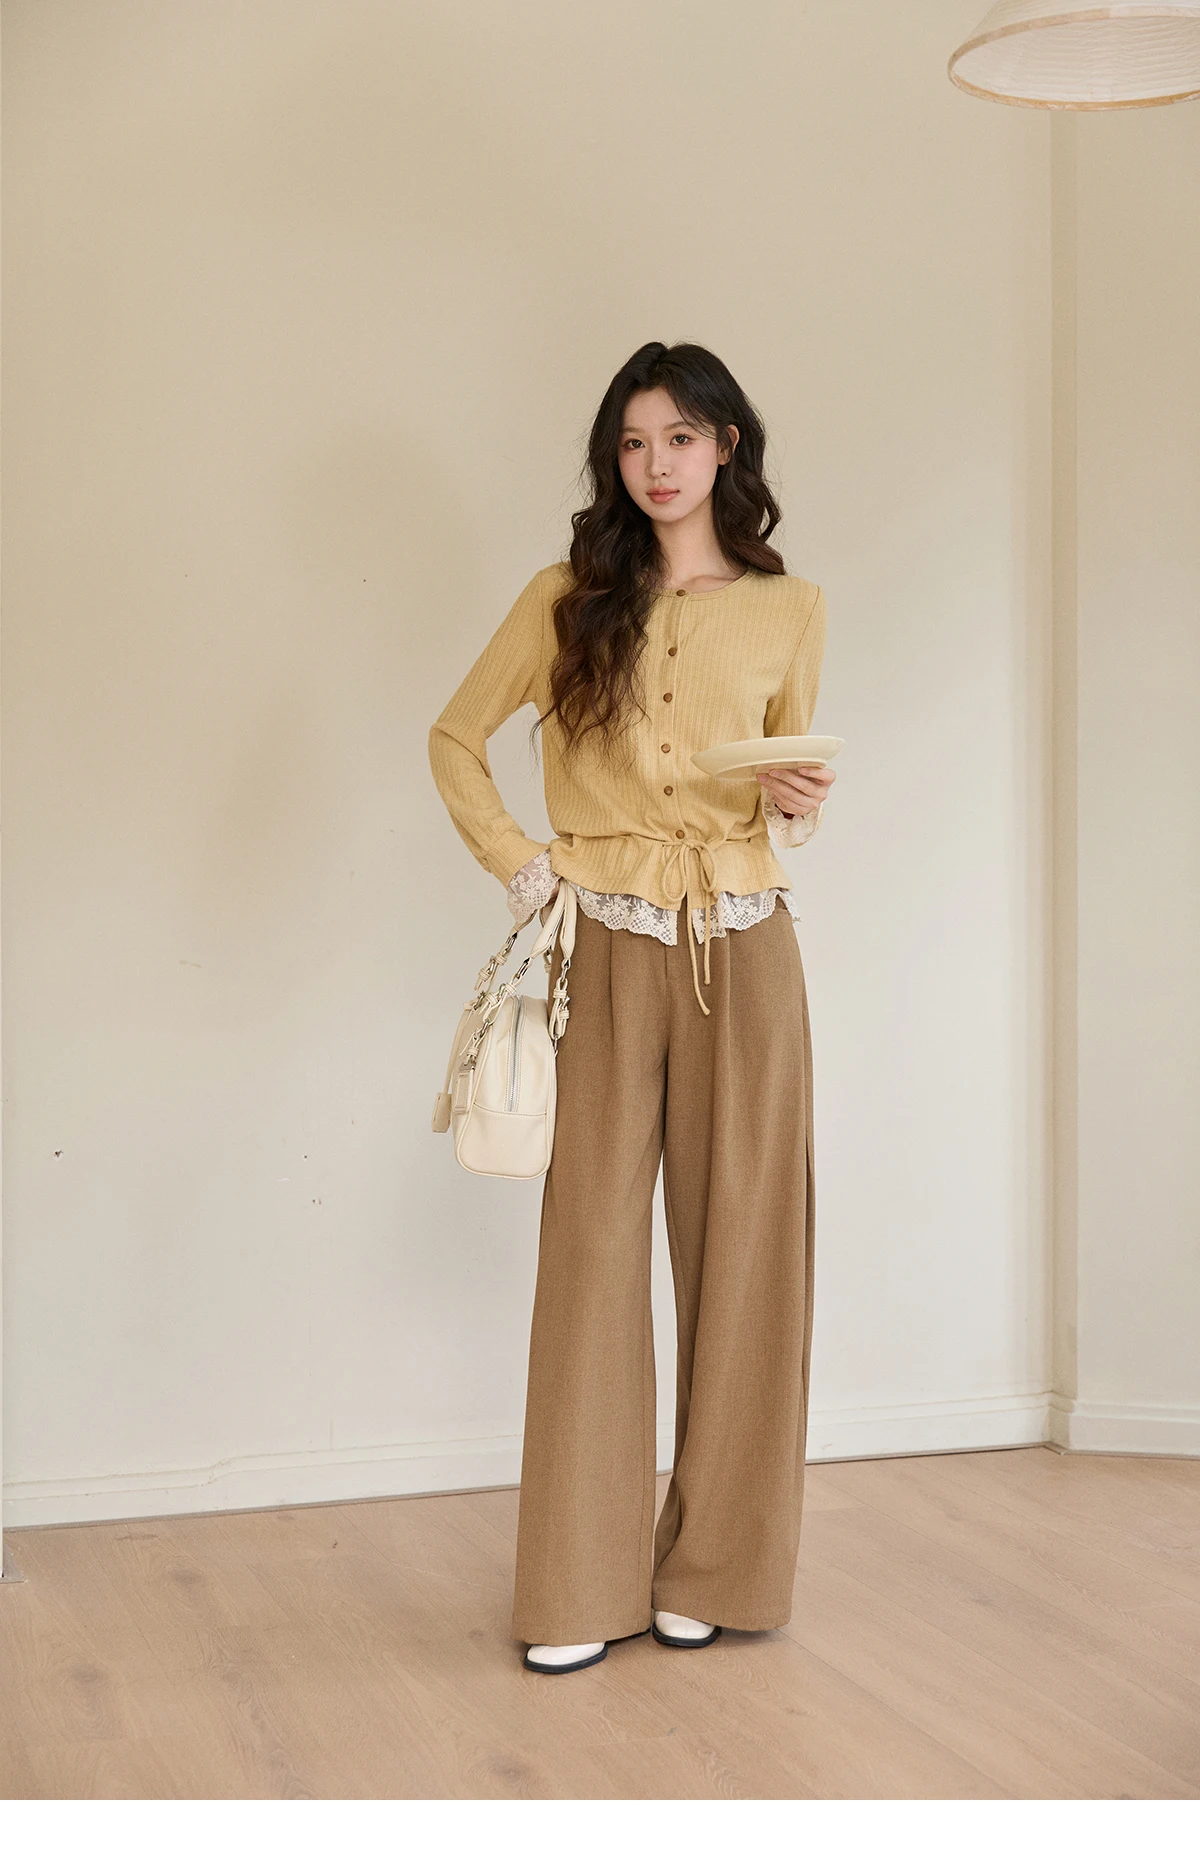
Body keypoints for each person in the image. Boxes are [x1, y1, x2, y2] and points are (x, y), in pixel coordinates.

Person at [428, 340, 836, 1674]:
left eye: (679, 438)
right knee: (593, 1251)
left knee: (748, 1251)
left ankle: (716, 1567)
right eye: (632, 442)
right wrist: (522, 863)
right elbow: (454, 735)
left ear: (727, 446)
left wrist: (795, 803)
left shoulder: (790, 608)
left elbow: (785, 790)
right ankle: (578, 1581)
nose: (656, 464)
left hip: (747, 945)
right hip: (602, 937)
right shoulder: (566, 599)